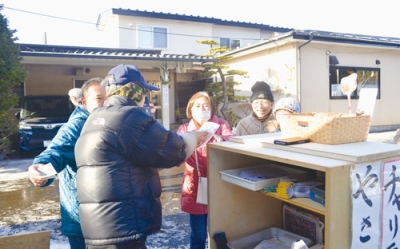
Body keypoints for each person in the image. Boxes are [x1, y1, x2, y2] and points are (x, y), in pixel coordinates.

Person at [74, 64, 208, 249]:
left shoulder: (96, 117)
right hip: (122, 225)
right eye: (144, 92)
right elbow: (170, 150)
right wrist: (193, 137)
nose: (145, 98)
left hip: (101, 225)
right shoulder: (129, 116)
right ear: (133, 91)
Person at [28, 78, 107, 249]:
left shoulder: (102, 122)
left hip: (101, 217)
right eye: (99, 98)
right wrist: (41, 170)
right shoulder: (77, 126)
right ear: (84, 102)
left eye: (108, 98)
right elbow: (57, 151)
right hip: (80, 219)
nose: (104, 103)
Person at [177, 91, 235, 249]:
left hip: (218, 183)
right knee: (198, 234)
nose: (202, 109)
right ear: (191, 109)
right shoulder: (184, 129)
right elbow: (176, 156)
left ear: (212, 108)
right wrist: (189, 143)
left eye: (206, 106)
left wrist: (221, 139)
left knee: (221, 230)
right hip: (194, 186)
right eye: (197, 106)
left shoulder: (221, 125)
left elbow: (233, 140)